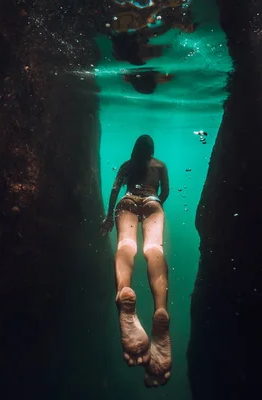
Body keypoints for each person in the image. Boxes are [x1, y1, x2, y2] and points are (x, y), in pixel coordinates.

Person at [100, 134, 172, 387]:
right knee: (154, 247)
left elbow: (114, 190)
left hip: (127, 201)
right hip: (152, 203)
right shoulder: (160, 165)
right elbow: (166, 191)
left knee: (126, 245)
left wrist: (110, 217)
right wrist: (153, 205)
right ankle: (160, 308)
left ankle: (123, 292)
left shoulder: (126, 165)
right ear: (152, 150)